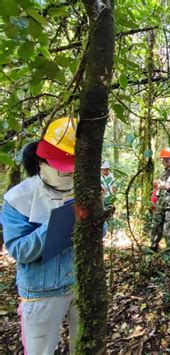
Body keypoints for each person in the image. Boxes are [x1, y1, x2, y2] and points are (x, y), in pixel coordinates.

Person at [2, 117, 79, 354]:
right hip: (42, 289)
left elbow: (99, 235)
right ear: (41, 160)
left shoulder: (81, 185)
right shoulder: (19, 198)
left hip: (79, 282)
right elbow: (20, 249)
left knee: (83, 344)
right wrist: (61, 221)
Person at [150, 147, 170, 251]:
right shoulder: (163, 172)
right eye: (163, 159)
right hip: (161, 204)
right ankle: (153, 247)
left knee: (167, 229)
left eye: (165, 159)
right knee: (155, 226)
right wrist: (157, 187)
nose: (163, 161)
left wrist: (169, 187)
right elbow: (160, 187)